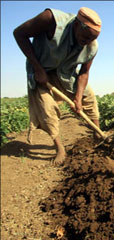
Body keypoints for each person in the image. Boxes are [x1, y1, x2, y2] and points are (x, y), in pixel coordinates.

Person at [13, 7, 104, 165]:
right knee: (47, 108)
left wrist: (78, 98)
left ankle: (98, 135)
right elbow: (19, 33)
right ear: (77, 24)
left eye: (92, 39)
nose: (87, 42)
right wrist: (38, 68)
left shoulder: (92, 46)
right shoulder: (51, 20)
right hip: (42, 73)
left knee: (88, 97)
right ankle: (59, 149)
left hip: (66, 75)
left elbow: (84, 73)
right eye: (85, 37)